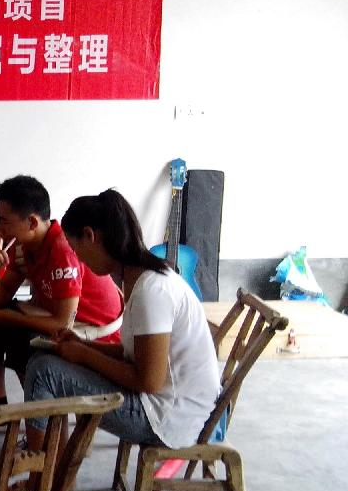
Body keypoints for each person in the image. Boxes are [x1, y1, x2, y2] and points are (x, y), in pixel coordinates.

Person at [23, 189, 221, 453]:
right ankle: (50, 464)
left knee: (45, 371)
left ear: (90, 236)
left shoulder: (151, 290)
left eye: (75, 248)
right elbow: (137, 354)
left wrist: (83, 355)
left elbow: (148, 380)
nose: (78, 258)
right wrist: (83, 344)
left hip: (169, 417)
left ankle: (40, 470)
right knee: (43, 358)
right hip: (164, 402)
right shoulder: (141, 277)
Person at [0, 175, 123, 408]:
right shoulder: (21, 244)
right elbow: (1, 299)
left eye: (4, 221)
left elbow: (62, 324)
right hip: (53, 314)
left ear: (32, 223)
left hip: (92, 327)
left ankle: (41, 416)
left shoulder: (62, 250)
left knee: (25, 341)